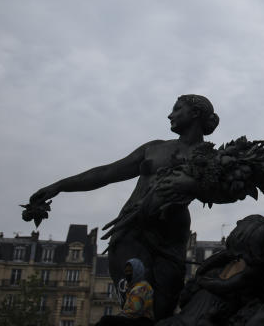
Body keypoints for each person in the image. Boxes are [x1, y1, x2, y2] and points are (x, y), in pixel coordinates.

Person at [27, 95, 218, 320]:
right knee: (138, 294)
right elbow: (107, 173)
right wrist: (60, 186)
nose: (170, 114)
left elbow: (222, 193)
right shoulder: (154, 148)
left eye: (177, 109)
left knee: (162, 311)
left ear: (195, 113)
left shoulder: (211, 159)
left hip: (171, 237)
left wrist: (192, 184)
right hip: (132, 229)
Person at [97, 258, 154, 326]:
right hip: (136, 319)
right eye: (126, 271)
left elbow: (132, 312)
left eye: (130, 271)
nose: (128, 273)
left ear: (137, 271)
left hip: (142, 321)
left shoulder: (141, 288)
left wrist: (117, 317)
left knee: (105, 320)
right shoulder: (134, 286)